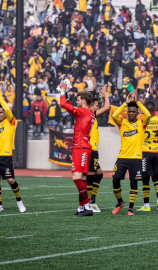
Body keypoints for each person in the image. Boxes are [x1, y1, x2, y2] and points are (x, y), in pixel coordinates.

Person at [0, 87, 26, 213]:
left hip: (5, 156)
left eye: (1, 112)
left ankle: (20, 203)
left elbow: (7, 109)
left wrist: (0, 96)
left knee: (10, 180)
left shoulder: (10, 121)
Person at [57, 79, 96, 217]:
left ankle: (87, 206)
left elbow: (62, 104)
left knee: (76, 177)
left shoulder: (83, 112)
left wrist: (62, 89)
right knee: (83, 178)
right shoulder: (87, 113)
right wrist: (66, 93)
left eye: (78, 100)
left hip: (81, 147)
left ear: (84, 101)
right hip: (83, 147)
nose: (77, 102)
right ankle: (81, 208)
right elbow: (67, 105)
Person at [111, 91, 151, 216]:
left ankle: (130, 208)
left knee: (133, 182)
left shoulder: (141, 123)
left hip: (136, 158)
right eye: (130, 111)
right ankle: (120, 202)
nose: (131, 113)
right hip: (122, 157)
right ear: (127, 113)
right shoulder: (122, 122)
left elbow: (149, 115)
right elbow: (114, 115)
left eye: (134, 111)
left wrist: (138, 102)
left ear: (137, 113)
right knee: (115, 180)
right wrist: (125, 103)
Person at [138, 83, 158, 211]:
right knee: (156, 177)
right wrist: (156, 93)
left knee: (145, 178)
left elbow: (140, 108)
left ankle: (146, 206)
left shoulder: (142, 118)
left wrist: (147, 94)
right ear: (155, 109)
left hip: (146, 152)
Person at [86, 86, 110, 213]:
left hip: (92, 149)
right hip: (91, 149)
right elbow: (107, 108)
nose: (97, 107)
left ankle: (92, 201)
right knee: (89, 177)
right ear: (90, 107)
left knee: (99, 175)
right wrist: (105, 95)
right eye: (96, 105)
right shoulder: (90, 114)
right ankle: (88, 204)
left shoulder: (90, 115)